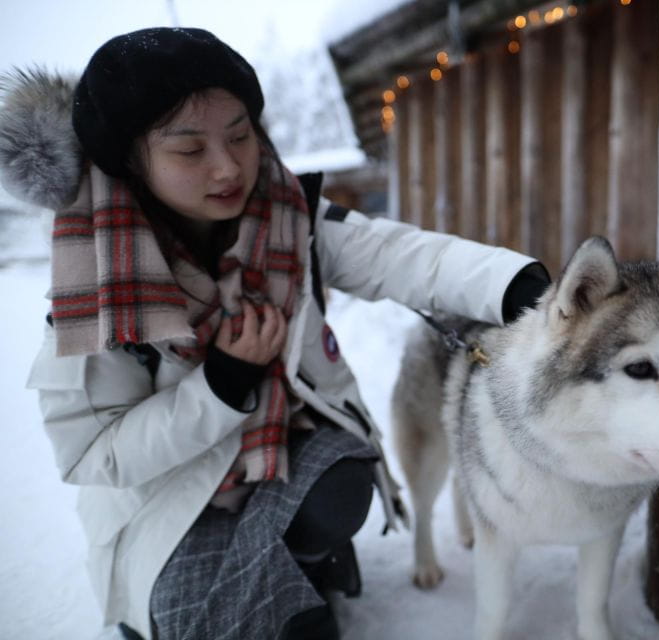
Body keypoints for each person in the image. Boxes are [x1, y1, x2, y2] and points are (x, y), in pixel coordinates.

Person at [0, 28, 549, 640]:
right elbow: (92, 454)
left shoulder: (291, 214)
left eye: (240, 135)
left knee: (342, 487)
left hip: (280, 452)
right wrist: (222, 383)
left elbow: (398, 255)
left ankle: (306, 565)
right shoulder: (98, 284)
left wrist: (512, 284)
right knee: (195, 622)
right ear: (131, 160)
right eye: (189, 150)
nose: (228, 166)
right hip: (172, 503)